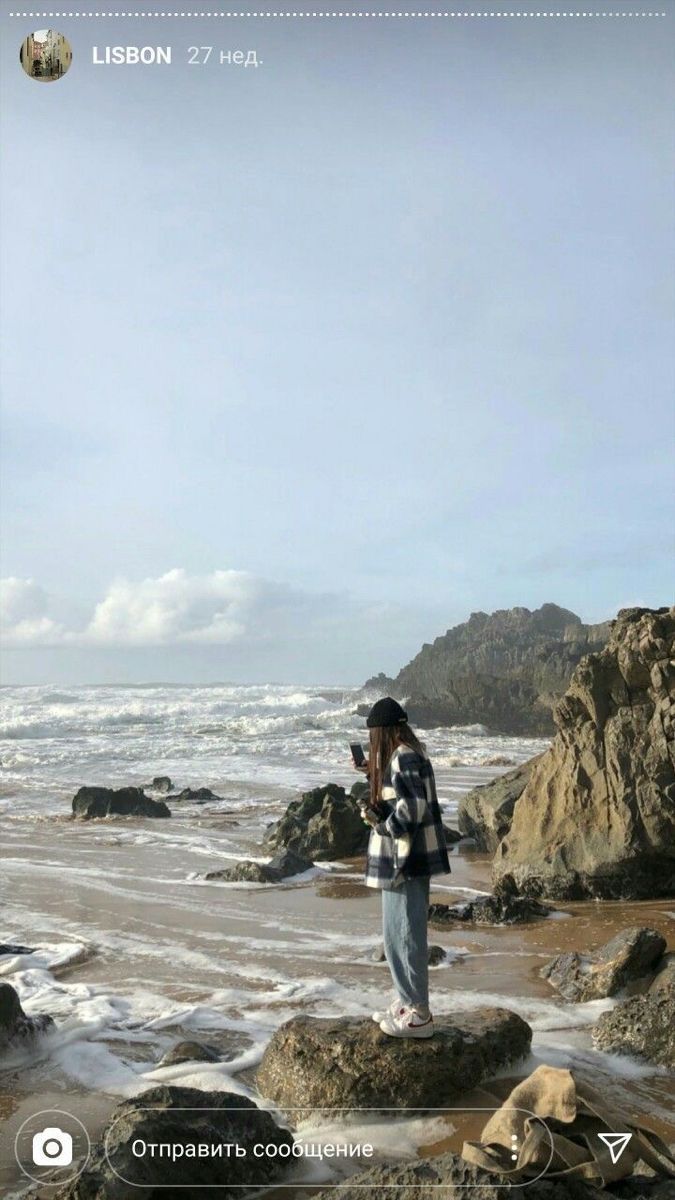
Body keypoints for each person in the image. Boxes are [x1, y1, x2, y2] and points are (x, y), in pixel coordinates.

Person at [354, 697, 450, 1039]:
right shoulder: (405, 754)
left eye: (373, 734)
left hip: (405, 858)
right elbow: (405, 793)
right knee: (396, 934)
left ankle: (419, 1015)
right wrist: (371, 772)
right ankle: (408, 1002)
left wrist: (384, 825)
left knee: (407, 934)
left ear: (383, 731)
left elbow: (413, 806)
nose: (371, 741)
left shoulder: (404, 756)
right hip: (402, 859)